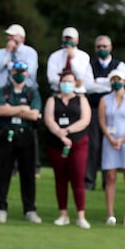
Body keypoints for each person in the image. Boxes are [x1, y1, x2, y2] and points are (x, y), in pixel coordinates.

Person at [0, 60, 42, 224]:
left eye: (22, 71)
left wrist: (12, 110)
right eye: (16, 71)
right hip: (7, 134)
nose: (19, 74)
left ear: (27, 73)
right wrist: (22, 109)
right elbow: (1, 110)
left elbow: (34, 114)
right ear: (11, 73)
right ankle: (0, 208)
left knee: (28, 173)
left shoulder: (32, 92)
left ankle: (29, 209)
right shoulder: (3, 91)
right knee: (3, 172)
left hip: (26, 134)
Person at [44, 70, 92, 229]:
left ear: (75, 83)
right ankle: (63, 214)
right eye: (64, 81)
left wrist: (68, 131)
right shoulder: (52, 100)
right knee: (60, 179)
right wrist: (60, 134)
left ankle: (81, 215)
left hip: (78, 143)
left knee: (78, 178)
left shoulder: (81, 99)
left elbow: (85, 120)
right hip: (56, 144)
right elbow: (49, 120)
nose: (67, 84)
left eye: (70, 81)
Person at [99, 69, 125, 227]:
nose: (116, 82)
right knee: (110, 177)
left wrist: (123, 138)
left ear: (124, 81)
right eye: (113, 79)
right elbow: (102, 121)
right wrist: (111, 138)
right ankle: (110, 214)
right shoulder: (105, 99)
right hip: (110, 140)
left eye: (118, 79)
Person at [85, 35, 125, 191]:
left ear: (110, 48)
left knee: (108, 145)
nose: (101, 49)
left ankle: (107, 181)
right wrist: (107, 82)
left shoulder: (120, 65)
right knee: (93, 144)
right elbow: (88, 86)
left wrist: (98, 82)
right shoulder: (90, 65)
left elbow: (116, 85)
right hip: (94, 109)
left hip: (113, 109)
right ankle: (89, 181)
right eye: (99, 47)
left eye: (104, 46)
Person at [47, 27, 95, 94]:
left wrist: (73, 58)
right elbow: (51, 77)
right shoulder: (54, 56)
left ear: (77, 40)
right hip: (58, 91)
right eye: (66, 38)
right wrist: (69, 83)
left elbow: (80, 75)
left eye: (71, 38)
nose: (68, 41)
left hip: (77, 92)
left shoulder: (84, 56)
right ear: (62, 39)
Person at [0, 24, 38, 89]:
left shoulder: (30, 52)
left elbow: (29, 70)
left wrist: (9, 64)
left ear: (22, 38)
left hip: (25, 89)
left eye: (13, 36)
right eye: (9, 36)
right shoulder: (1, 52)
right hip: (3, 89)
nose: (10, 38)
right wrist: (7, 52)